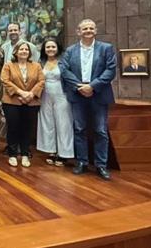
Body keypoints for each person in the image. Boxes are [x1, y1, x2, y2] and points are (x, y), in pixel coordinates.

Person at [59, 19, 116, 180]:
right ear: (79, 31)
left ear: (95, 31)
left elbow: (110, 70)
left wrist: (92, 86)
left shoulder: (106, 48)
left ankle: (101, 165)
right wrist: (79, 86)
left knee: (100, 130)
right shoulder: (70, 51)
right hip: (78, 95)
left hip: (98, 94)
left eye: (91, 28)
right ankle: (82, 162)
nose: (88, 31)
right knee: (79, 129)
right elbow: (64, 69)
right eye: (85, 28)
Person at [0, 42, 45, 168]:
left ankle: (25, 154)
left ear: (29, 53)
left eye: (26, 49)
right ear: (15, 52)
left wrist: (30, 94)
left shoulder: (36, 66)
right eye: (21, 49)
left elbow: (41, 81)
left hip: (31, 102)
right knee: (13, 127)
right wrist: (20, 92)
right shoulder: (8, 65)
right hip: (12, 101)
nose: (24, 51)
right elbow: (5, 80)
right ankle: (12, 154)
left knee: (27, 128)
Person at [37, 38, 74, 166]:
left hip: (62, 94)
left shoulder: (64, 62)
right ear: (44, 49)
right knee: (47, 122)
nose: (50, 49)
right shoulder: (41, 62)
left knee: (63, 123)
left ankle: (64, 154)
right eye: (48, 47)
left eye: (53, 47)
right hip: (45, 95)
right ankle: (50, 151)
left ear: (57, 48)